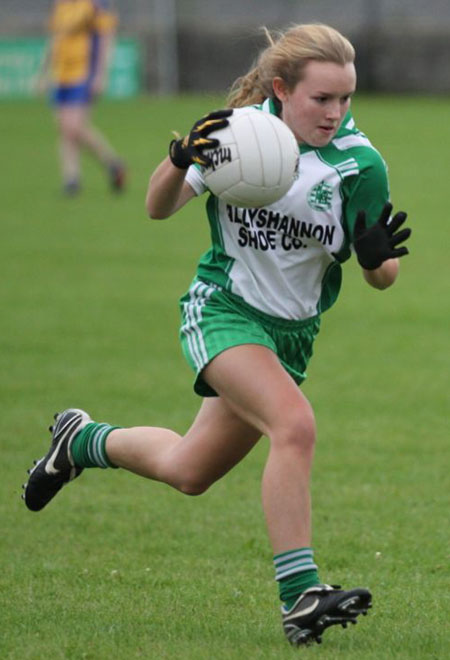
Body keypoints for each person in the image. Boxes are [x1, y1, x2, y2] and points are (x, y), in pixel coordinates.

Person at [23, 23, 411, 646]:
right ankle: (301, 594)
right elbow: (156, 207)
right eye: (322, 99)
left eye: (345, 98)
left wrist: (373, 256)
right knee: (295, 426)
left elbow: (383, 275)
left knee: (188, 470)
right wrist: (178, 161)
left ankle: (81, 440)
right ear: (282, 89)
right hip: (223, 311)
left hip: (292, 336)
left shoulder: (359, 165)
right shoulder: (237, 135)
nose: (336, 113)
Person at [39, 0, 126, 195]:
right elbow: (55, 38)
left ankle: (112, 163)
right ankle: (71, 179)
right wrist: (44, 73)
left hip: (83, 72)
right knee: (64, 128)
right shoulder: (61, 4)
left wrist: (101, 75)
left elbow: (106, 38)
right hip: (61, 74)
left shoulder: (95, 4)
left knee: (74, 127)